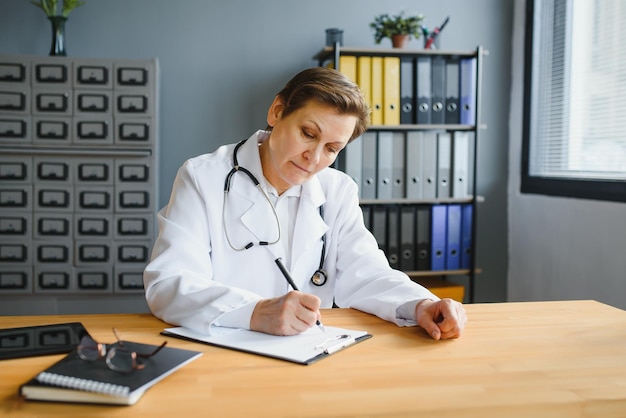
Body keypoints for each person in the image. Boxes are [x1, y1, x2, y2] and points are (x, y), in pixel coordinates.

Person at [143, 67, 467, 340]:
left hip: (307, 353)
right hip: (223, 350)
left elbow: (367, 273)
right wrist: (253, 312)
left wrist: (420, 304)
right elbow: (169, 282)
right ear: (277, 111)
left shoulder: (337, 190)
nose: (313, 158)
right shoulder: (203, 177)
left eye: (331, 148)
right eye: (308, 134)